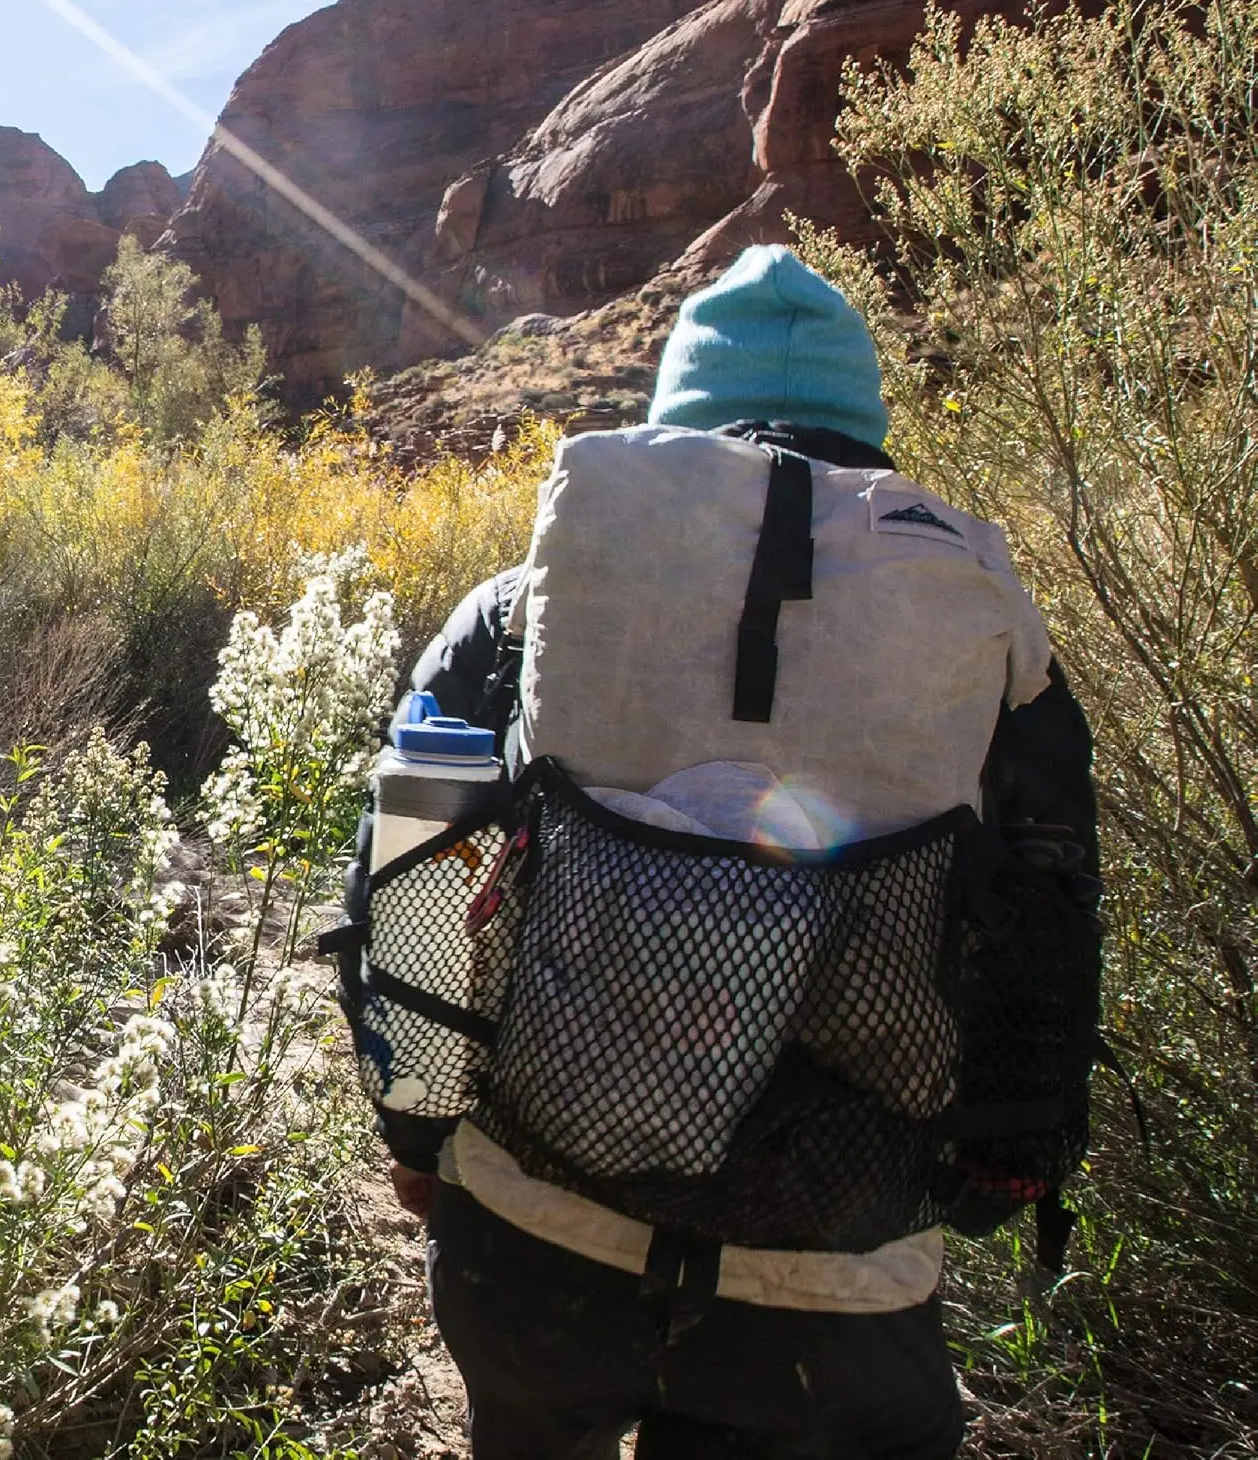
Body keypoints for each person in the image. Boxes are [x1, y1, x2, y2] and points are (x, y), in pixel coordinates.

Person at [346, 246, 1098, 1459]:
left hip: (539, 1242)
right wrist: (994, 1174)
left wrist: (417, 1138)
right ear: (868, 427)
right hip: (836, 1291)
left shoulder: (525, 604)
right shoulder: (983, 631)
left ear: (675, 425)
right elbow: (1052, 917)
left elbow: (401, 865)